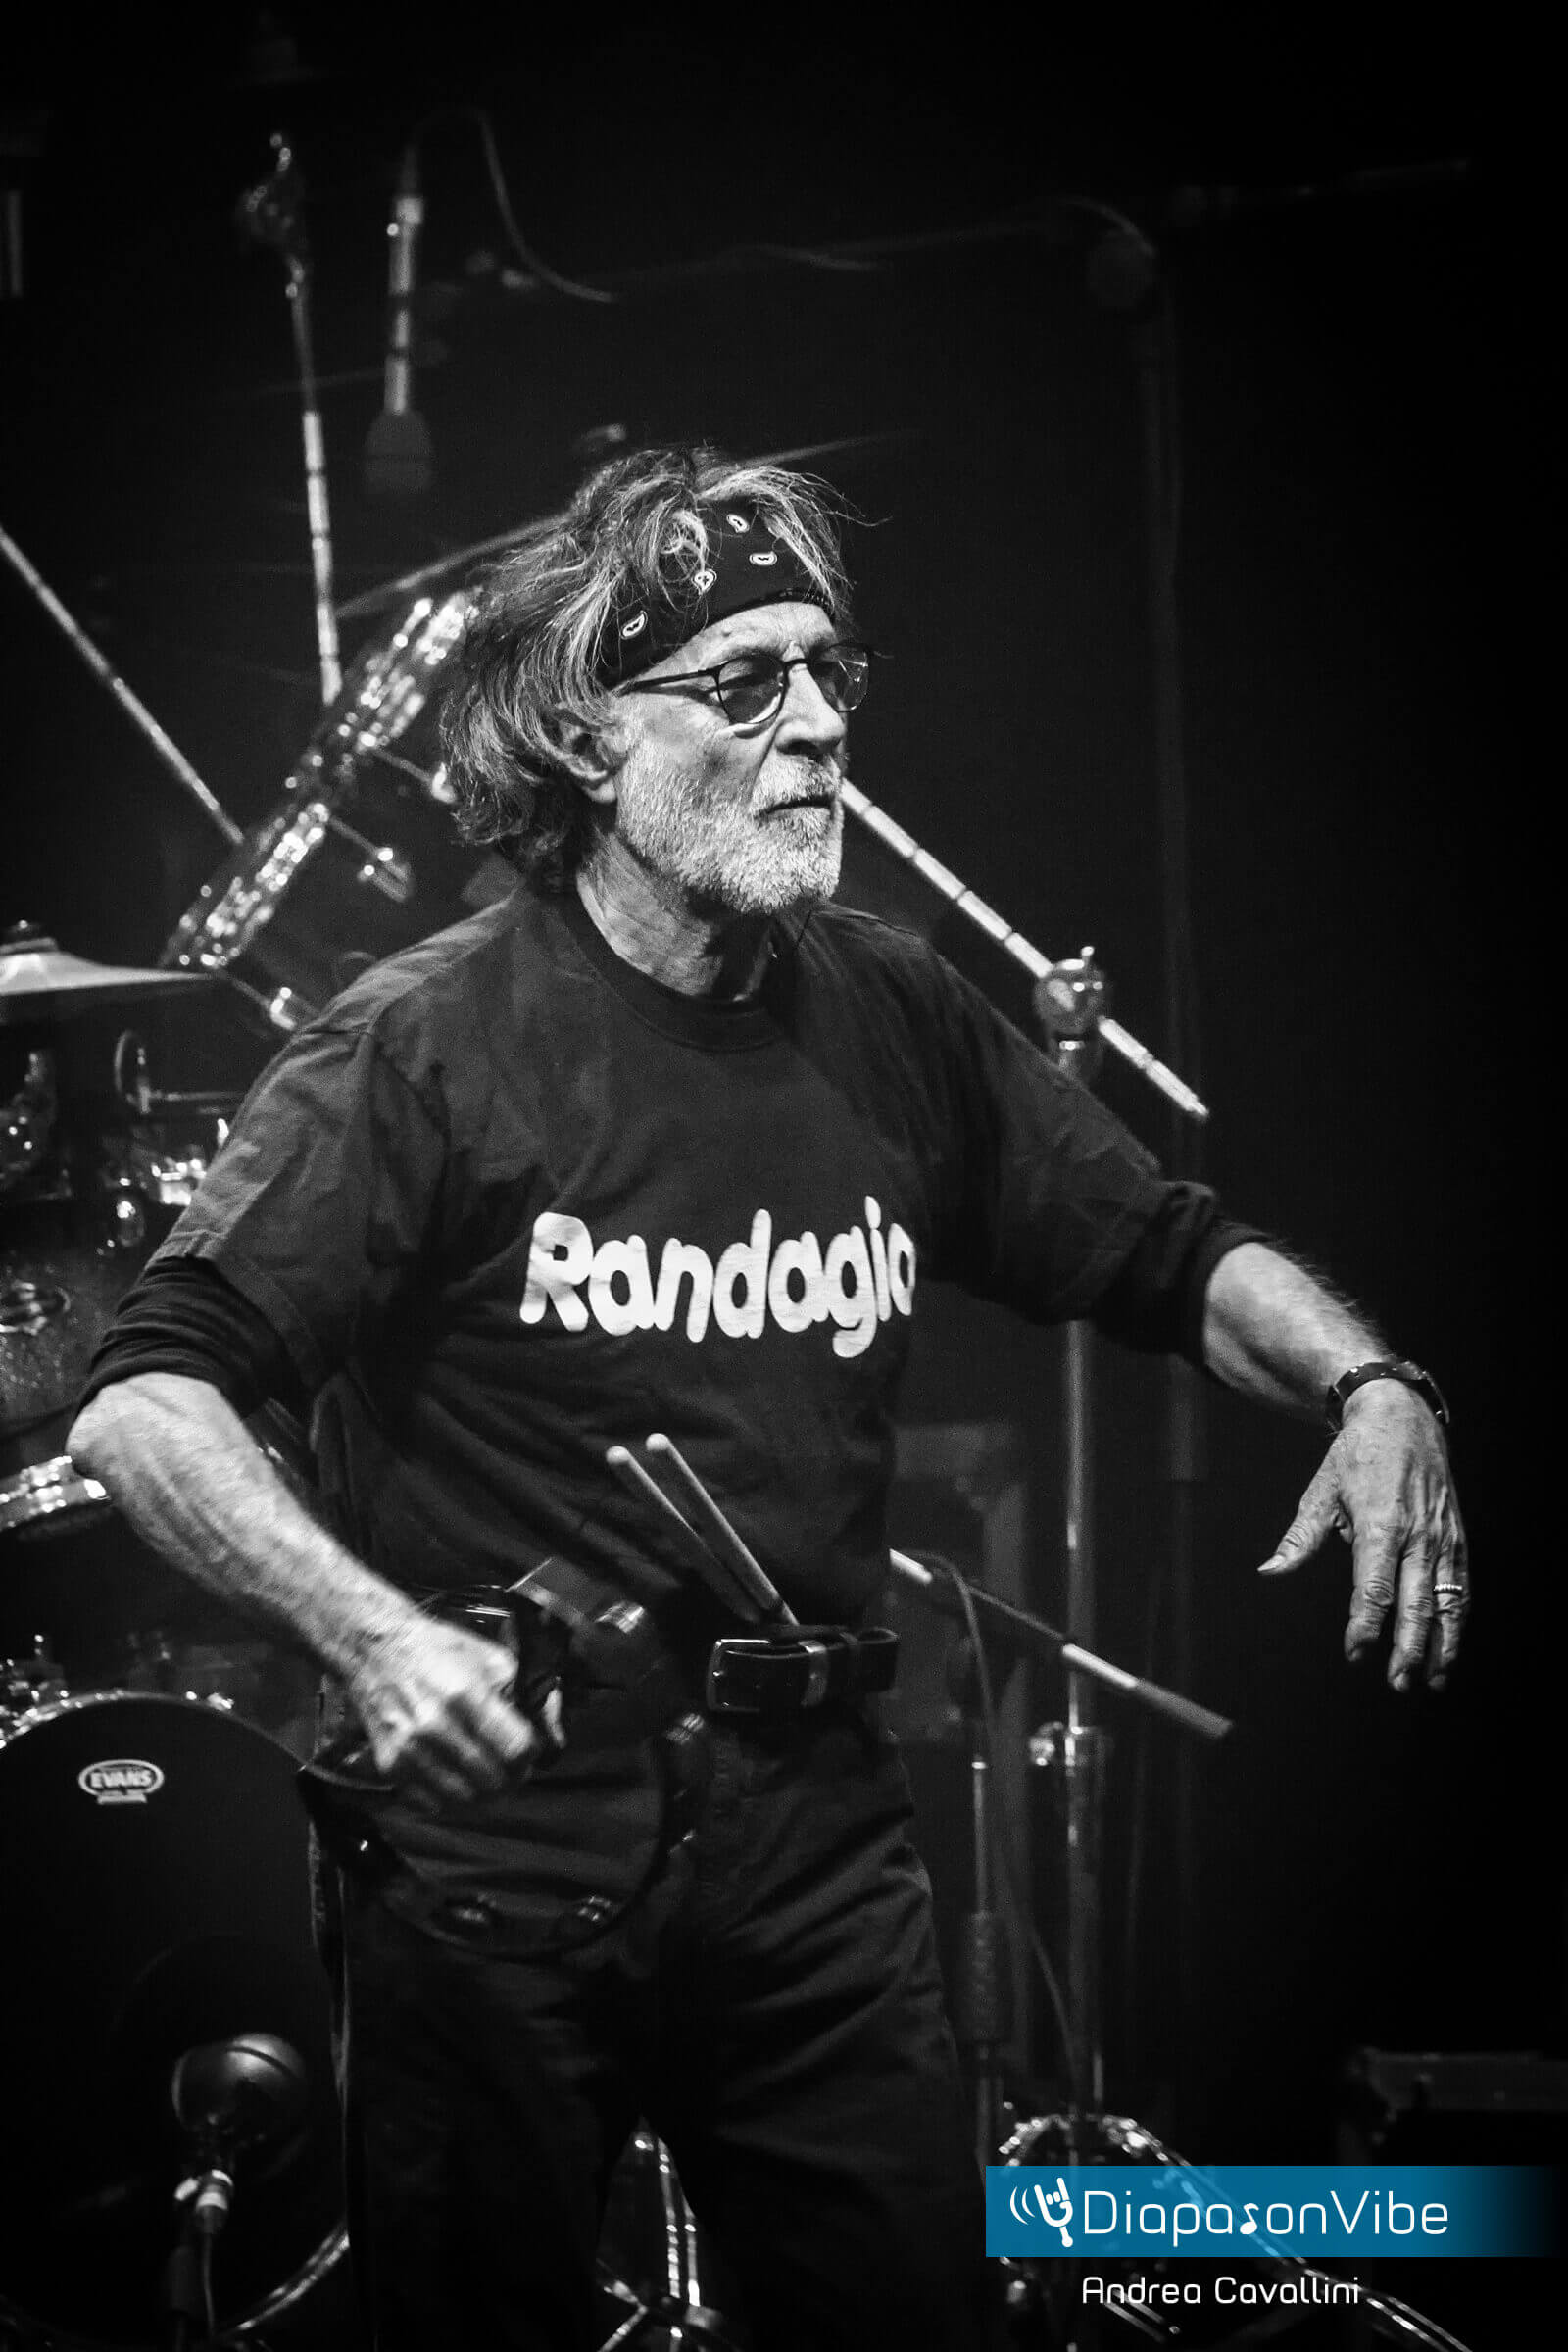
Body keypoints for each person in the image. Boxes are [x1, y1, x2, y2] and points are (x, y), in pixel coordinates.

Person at [70, 445, 1468, 2351]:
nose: (815, 723)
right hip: (503, 1855)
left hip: (815, 1843)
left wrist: (1369, 1382)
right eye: (741, 682)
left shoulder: (890, 1013)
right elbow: (144, 1403)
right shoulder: (421, 1048)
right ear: (586, 739)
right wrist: (371, 1636)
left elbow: (1160, 1249)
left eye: (827, 671)